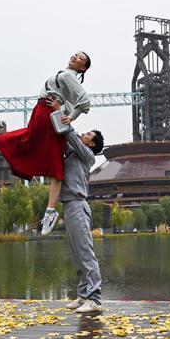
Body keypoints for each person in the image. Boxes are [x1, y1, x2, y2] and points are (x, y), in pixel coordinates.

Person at [0, 51, 92, 236]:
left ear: (83, 68)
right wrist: (63, 112)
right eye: (76, 54)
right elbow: (72, 101)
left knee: (55, 168)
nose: (75, 56)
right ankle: (50, 211)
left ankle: (50, 213)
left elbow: (85, 102)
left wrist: (68, 118)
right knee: (33, 145)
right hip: (42, 113)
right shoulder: (65, 74)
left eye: (80, 58)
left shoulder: (70, 76)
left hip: (47, 115)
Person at [44, 98, 105, 313]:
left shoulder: (87, 155)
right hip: (69, 206)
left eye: (89, 135)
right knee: (77, 254)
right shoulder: (72, 152)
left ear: (92, 145)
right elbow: (61, 134)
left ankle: (94, 299)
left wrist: (61, 112)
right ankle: (83, 295)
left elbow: (69, 133)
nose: (84, 135)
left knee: (85, 252)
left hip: (78, 206)